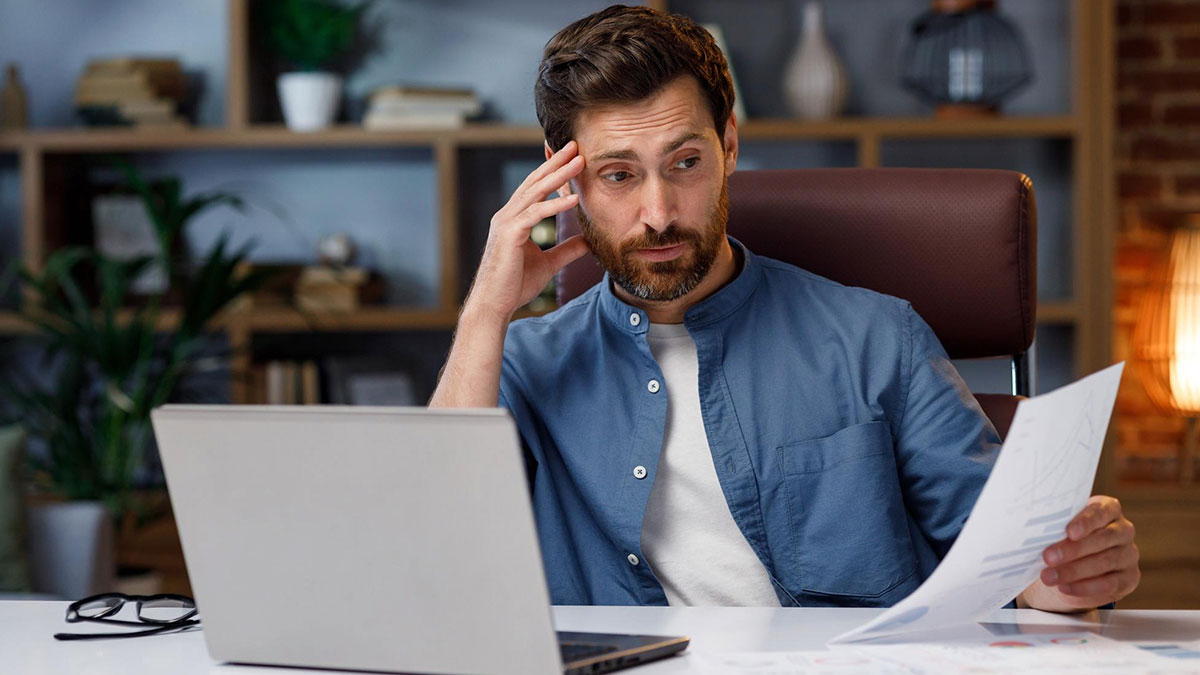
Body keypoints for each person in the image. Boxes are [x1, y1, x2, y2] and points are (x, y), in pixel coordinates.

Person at [429, 4, 1139, 611]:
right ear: (564, 174)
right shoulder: (522, 363)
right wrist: (487, 310)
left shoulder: (875, 338)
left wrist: (1071, 574)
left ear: (729, 145)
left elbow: (1010, 563)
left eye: (685, 163)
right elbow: (437, 551)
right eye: (618, 175)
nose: (658, 214)